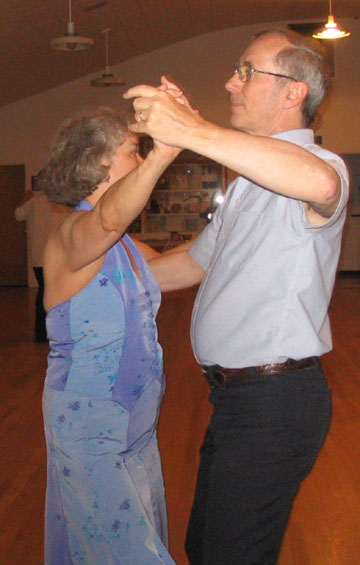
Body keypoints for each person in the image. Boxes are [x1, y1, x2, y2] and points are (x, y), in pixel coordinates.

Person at [124, 29, 350, 564]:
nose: (231, 81)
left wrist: (194, 127)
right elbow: (188, 264)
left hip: (275, 402)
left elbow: (320, 185)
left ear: (294, 91)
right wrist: (100, 255)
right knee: (205, 547)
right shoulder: (248, 183)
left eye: (247, 71)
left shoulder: (322, 167)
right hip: (238, 401)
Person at [38, 106, 178, 564]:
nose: (140, 161)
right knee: (131, 553)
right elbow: (106, 221)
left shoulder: (122, 244)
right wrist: (164, 154)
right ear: (99, 162)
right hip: (89, 425)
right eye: (133, 153)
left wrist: (243, 221)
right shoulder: (72, 233)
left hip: (135, 424)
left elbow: (184, 267)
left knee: (114, 544)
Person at [14, 187, 69, 342]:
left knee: (42, 293)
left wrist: (24, 198)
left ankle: (41, 333)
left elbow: (18, 215)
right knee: (58, 293)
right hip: (57, 256)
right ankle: (58, 330)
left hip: (39, 257)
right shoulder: (60, 203)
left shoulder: (32, 202)